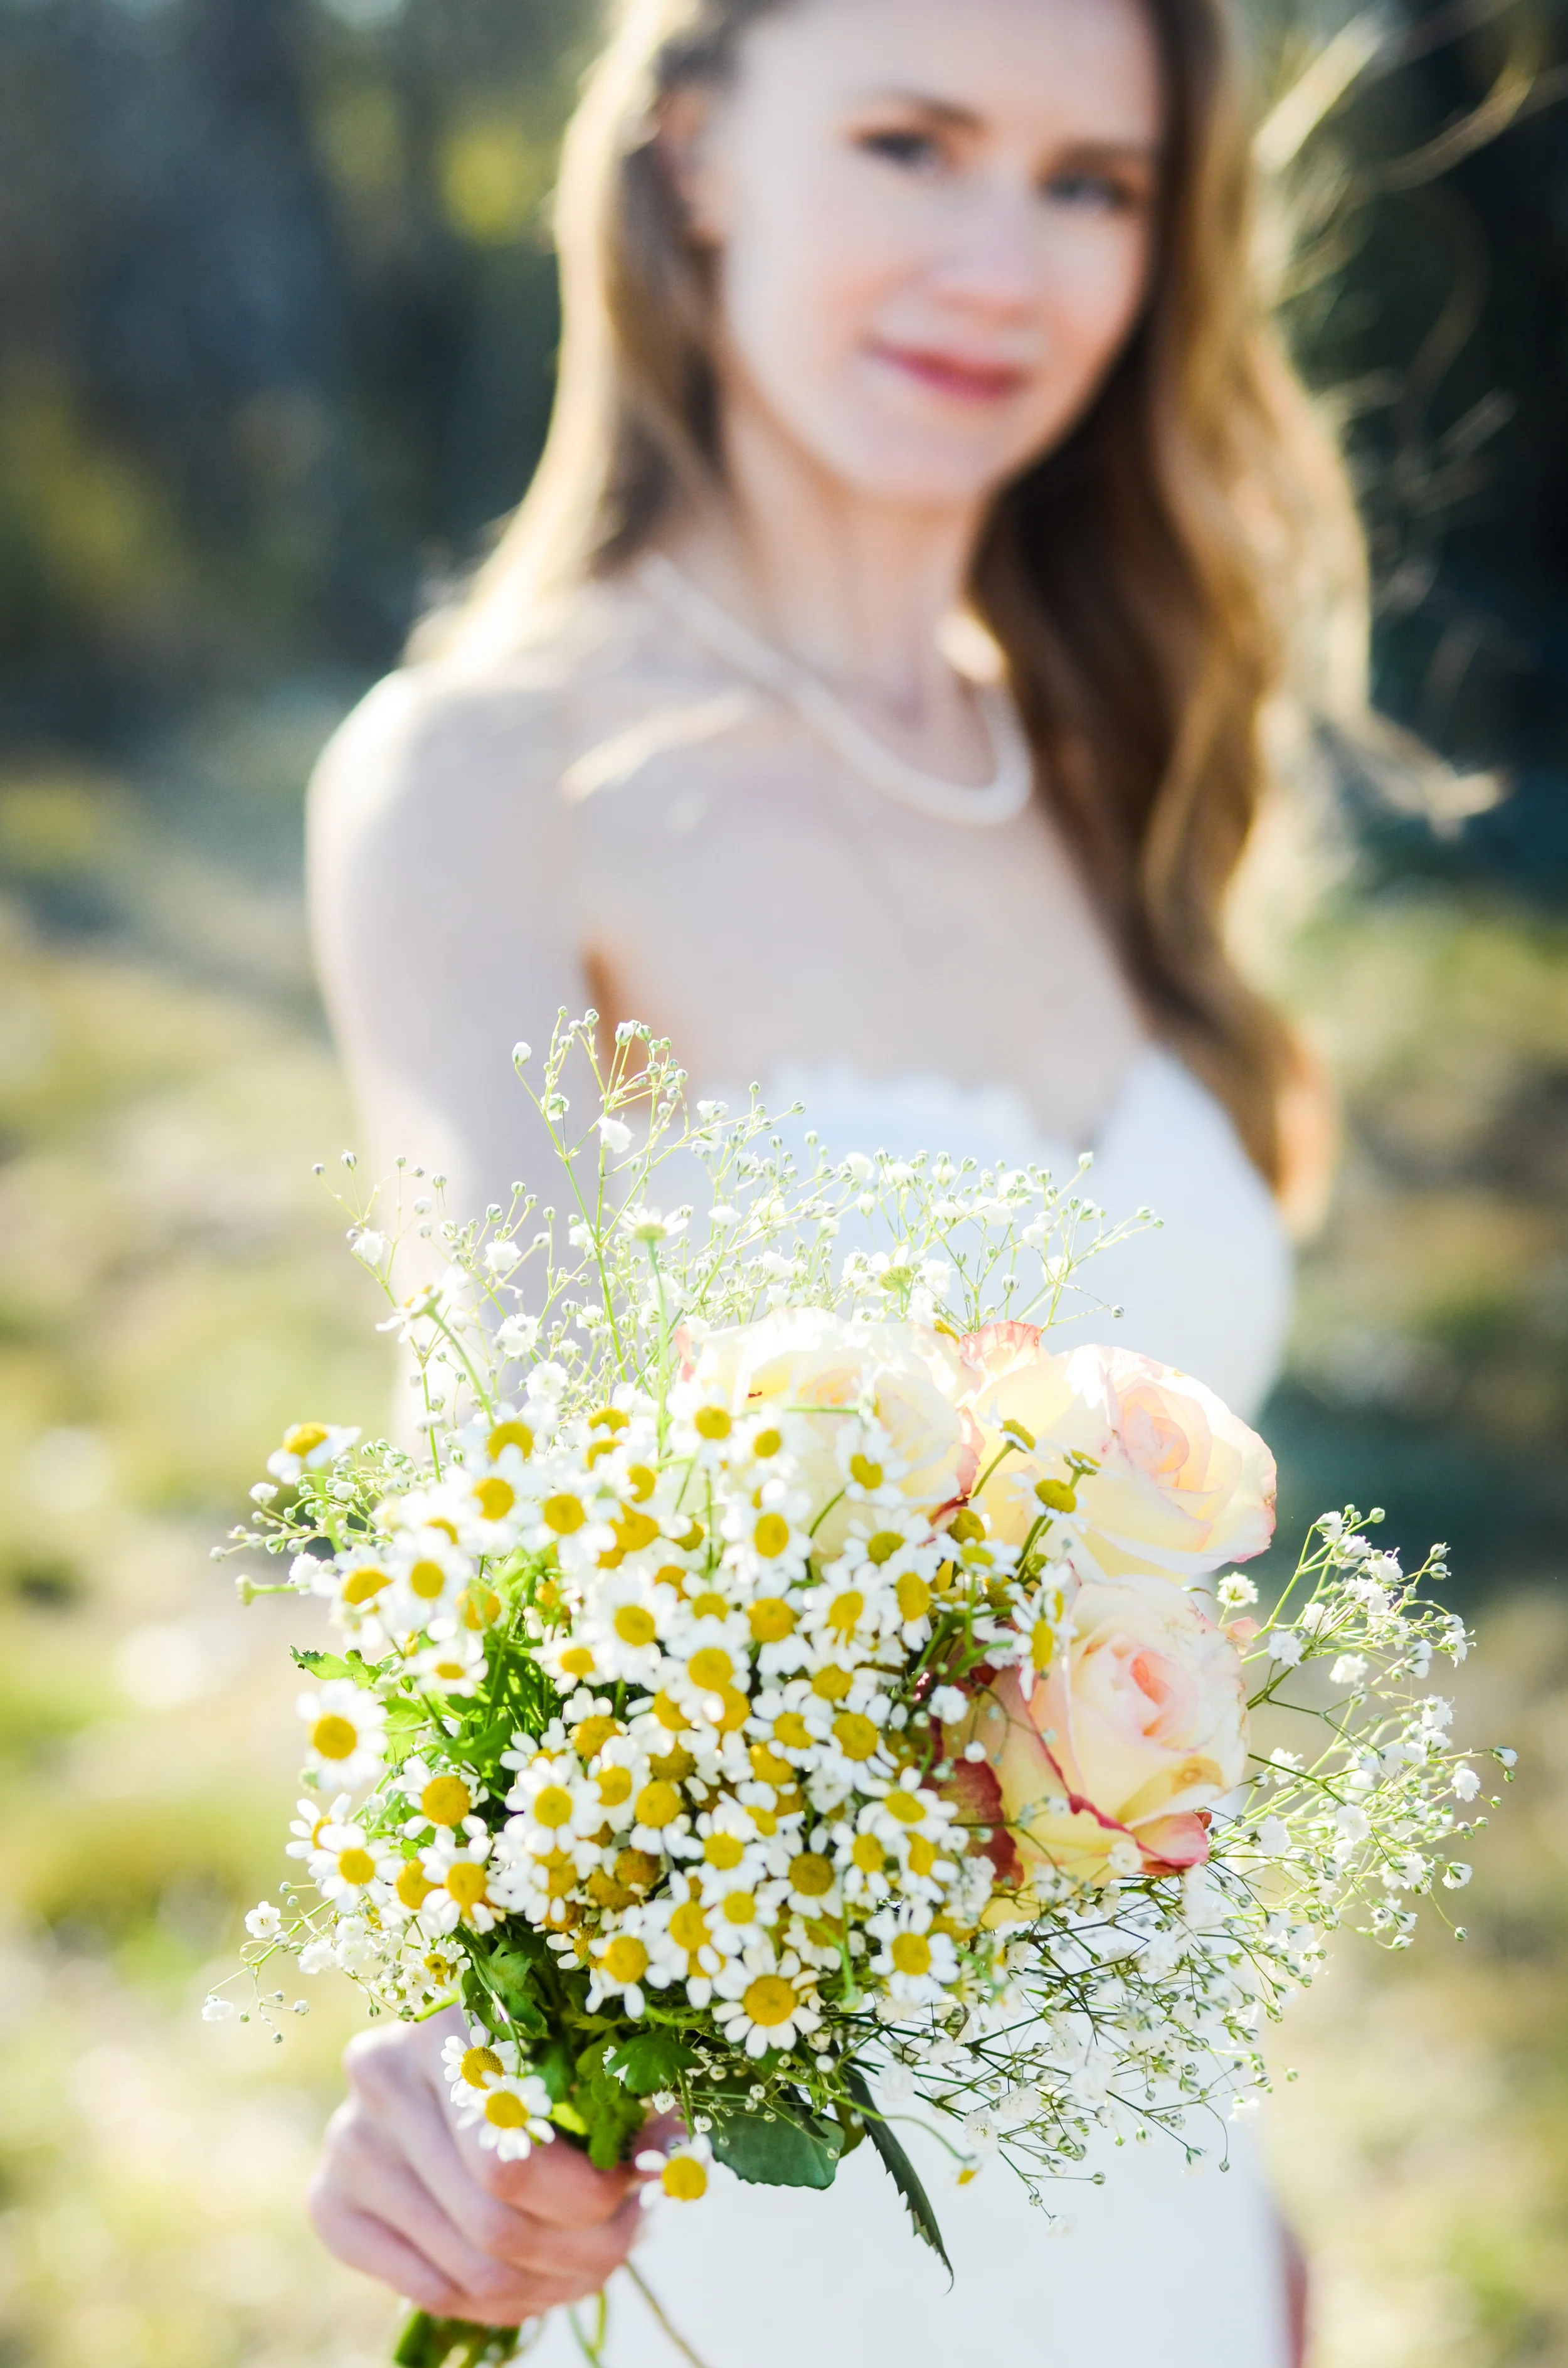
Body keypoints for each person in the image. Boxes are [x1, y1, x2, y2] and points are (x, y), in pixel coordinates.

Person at [304, 0, 1363, 2357]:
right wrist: (451, 2065)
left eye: (1092, 183)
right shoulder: (492, 772)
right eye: (912, 140)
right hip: (754, 2206)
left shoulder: (1125, 759)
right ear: (691, 151)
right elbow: (484, 1507)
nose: (1004, 258)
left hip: (1164, 2199)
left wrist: (1251, 2214)